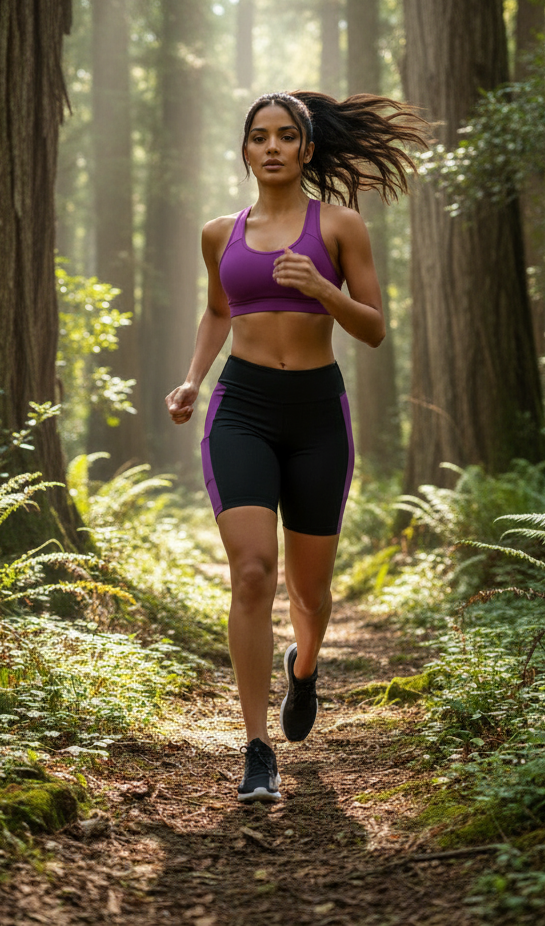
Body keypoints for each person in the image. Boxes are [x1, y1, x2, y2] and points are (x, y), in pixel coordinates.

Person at [165, 90, 427, 803]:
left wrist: (322, 289)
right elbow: (219, 311)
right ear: (246, 150)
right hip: (241, 408)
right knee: (252, 573)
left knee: (309, 593)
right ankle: (256, 750)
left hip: (317, 416)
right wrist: (191, 382)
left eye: (287, 136)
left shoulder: (339, 226)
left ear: (308, 150)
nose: (272, 147)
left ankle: (303, 667)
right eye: (259, 137)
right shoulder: (220, 233)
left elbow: (372, 328)